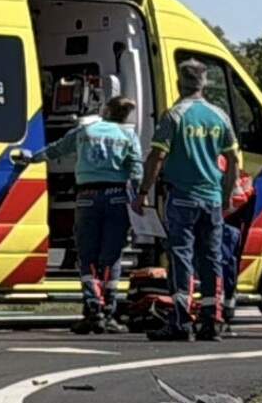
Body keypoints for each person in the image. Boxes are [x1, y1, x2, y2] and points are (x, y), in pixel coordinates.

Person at [156, 60, 238, 339]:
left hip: (182, 198)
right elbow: (233, 160)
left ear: (180, 84)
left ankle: (181, 320)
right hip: (212, 198)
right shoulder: (220, 116)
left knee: (181, 257)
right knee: (212, 258)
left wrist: (143, 190)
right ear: (204, 84)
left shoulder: (175, 116)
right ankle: (212, 320)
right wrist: (227, 195)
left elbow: (157, 155)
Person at [66, 93, 144, 331]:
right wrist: (141, 195)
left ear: (106, 111)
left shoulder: (86, 132)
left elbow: (57, 149)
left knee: (87, 256)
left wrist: (30, 159)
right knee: (111, 257)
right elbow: (137, 169)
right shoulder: (128, 135)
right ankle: (108, 313)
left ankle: (92, 310)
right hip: (117, 198)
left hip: (87, 198)